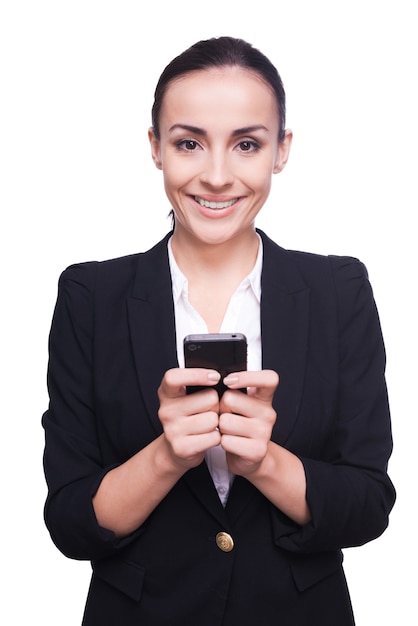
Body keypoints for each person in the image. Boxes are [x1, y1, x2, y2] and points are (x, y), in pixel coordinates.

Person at [42, 36, 395, 625]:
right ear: (155, 148)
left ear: (282, 151)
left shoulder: (340, 291)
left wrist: (265, 463)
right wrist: (165, 456)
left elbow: (367, 507)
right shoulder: (90, 297)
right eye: (188, 143)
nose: (216, 176)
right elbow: (71, 522)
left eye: (247, 144)